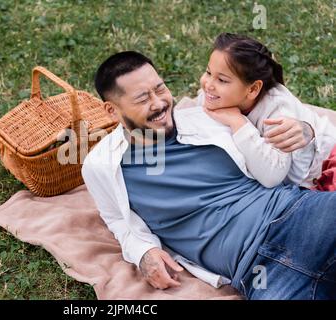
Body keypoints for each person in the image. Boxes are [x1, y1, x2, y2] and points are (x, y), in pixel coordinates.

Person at [81, 50, 336, 299]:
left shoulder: (207, 116)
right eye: (142, 99)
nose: (159, 103)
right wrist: (143, 253)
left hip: (298, 218)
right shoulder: (102, 166)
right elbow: (117, 220)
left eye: (159, 89)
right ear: (112, 111)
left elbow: (272, 114)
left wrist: (305, 129)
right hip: (257, 273)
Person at [195, 32, 336, 190]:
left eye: (222, 80)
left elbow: (273, 177)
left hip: (326, 163)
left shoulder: (277, 111)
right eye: (208, 72)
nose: (208, 84)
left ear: (253, 89)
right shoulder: (212, 97)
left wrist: (237, 122)